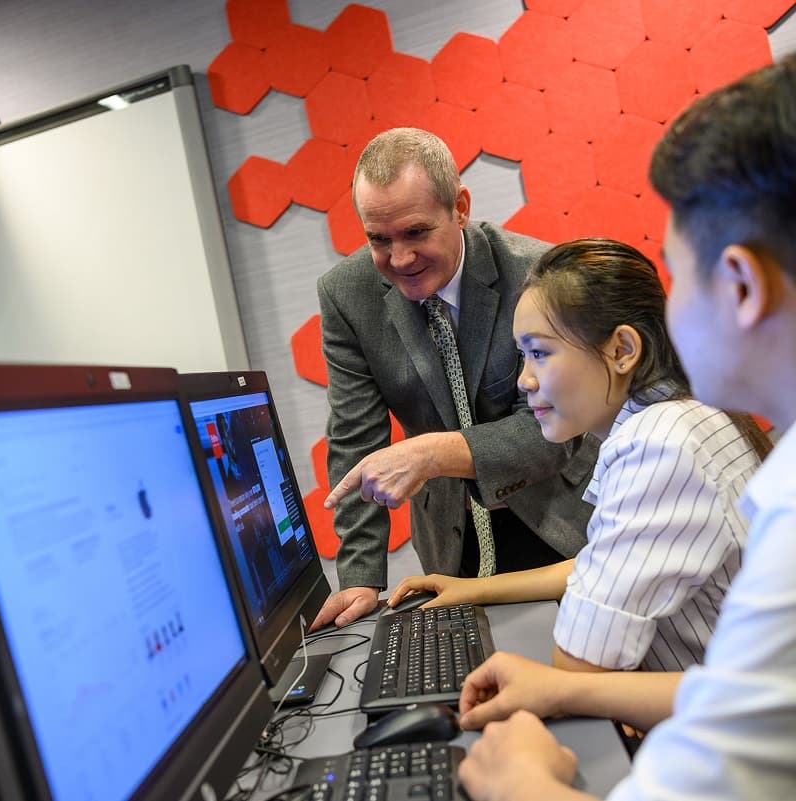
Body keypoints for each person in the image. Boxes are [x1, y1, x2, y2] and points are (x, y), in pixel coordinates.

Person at [457, 54, 796, 801]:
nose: (525, 379)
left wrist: (519, 782)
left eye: (680, 275)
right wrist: (556, 681)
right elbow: (751, 692)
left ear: (741, 285)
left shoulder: (657, 440)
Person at [390, 238, 769, 675]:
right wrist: (473, 590)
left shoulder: (656, 448)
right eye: (522, 356)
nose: (524, 380)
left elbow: (578, 667)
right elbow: (599, 566)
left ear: (622, 350)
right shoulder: (686, 413)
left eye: (539, 353)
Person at [311, 128, 599, 629]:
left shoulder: (538, 274)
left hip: (561, 520)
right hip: (451, 539)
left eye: (416, 232)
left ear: (460, 208)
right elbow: (355, 439)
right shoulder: (347, 295)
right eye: (379, 239)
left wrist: (431, 454)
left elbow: (555, 430)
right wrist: (360, 575)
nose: (400, 258)